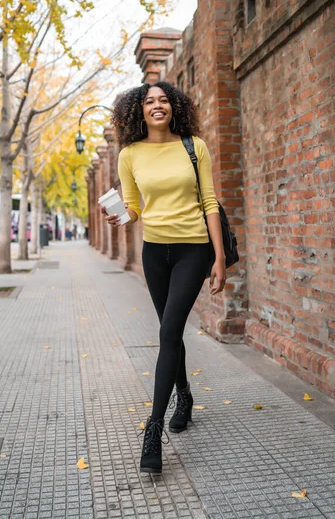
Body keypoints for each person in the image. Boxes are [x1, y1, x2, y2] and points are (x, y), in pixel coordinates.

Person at [102, 81, 226, 474]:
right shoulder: (129, 154)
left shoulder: (194, 146)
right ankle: (185, 396)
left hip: (193, 250)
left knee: (169, 331)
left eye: (164, 100)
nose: (158, 105)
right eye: (150, 101)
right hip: (155, 252)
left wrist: (219, 257)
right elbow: (135, 206)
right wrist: (122, 215)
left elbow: (208, 201)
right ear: (139, 110)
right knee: (169, 330)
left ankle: (152, 431)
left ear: (175, 107)